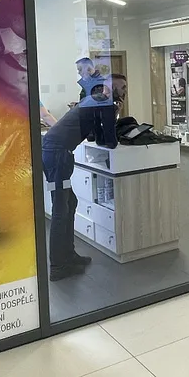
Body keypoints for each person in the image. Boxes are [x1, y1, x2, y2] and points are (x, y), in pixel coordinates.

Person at [43, 72, 127, 281]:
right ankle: (58, 266)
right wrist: (115, 112)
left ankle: (69, 255)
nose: (125, 91)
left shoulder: (94, 100)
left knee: (70, 202)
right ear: (113, 87)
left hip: (54, 153)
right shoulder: (105, 103)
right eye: (123, 87)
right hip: (58, 156)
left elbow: (95, 136)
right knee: (61, 208)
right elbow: (110, 141)